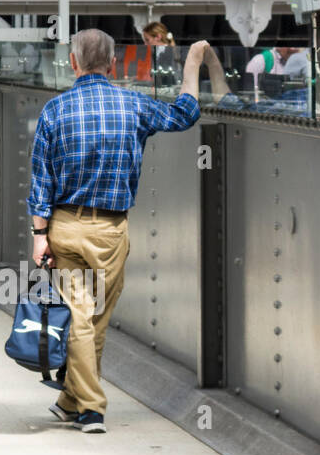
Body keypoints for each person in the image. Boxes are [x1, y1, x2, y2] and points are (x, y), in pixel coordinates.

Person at [27, 29, 210, 434]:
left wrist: (40, 234)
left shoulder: (54, 110)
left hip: (65, 226)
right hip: (111, 231)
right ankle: (93, 408)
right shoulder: (133, 104)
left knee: (81, 319)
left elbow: (41, 180)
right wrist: (192, 64)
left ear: (73, 63)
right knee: (92, 319)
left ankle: (70, 401)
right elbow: (185, 114)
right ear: (112, 64)